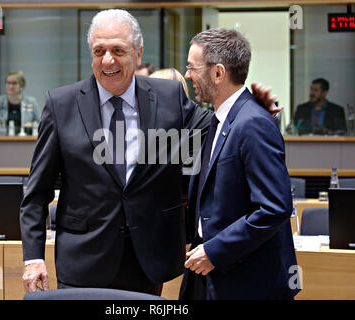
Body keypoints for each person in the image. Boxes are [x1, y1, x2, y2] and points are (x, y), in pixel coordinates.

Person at [20, 9, 280, 295]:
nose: (108, 60)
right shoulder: (61, 104)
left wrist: (254, 110)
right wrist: (33, 259)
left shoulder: (169, 97)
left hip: (146, 261)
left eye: (118, 50)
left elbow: (219, 127)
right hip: (83, 260)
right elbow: (37, 191)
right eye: (99, 51)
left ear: (138, 53)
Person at [181, 28, 300, 300]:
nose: (188, 75)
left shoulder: (253, 123)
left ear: (218, 73)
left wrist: (215, 250)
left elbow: (274, 207)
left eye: (192, 67)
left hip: (246, 281)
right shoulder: (221, 119)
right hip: (213, 275)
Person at [0, 71, 41, 135]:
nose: (11, 86)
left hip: (25, 141)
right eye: (8, 83)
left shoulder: (31, 102)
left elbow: (42, 124)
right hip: (2, 142)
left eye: (14, 83)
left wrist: (33, 125)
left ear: (21, 85)